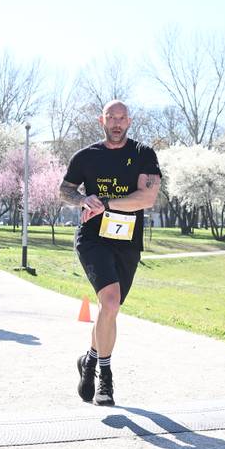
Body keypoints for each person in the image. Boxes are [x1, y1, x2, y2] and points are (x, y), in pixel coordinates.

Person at [60, 100, 162, 407]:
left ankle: (89, 360)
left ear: (129, 121)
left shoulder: (144, 155)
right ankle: (105, 378)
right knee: (110, 301)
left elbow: (147, 197)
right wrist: (82, 199)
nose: (116, 123)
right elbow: (64, 191)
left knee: (110, 311)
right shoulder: (85, 156)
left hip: (127, 241)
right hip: (93, 238)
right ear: (101, 120)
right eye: (111, 118)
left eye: (121, 118)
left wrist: (104, 201)